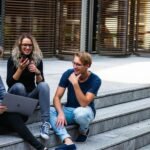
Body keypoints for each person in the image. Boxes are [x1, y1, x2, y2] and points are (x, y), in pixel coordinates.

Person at [50, 52, 101, 150]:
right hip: (69, 110)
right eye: (74, 63)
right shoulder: (68, 73)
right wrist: (60, 113)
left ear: (87, 65)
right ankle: (67, 141)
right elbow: (56, 97)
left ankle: (83, 131)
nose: (75, 67)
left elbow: (84, 103)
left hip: (85, 110)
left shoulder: (96, 80)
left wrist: (75, 83)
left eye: (78, 64)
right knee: (49, 111)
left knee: (81, 113)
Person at [0, 48, 48, 150]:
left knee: (18, 116)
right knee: (13, 117)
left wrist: (5, 103)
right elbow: (10, 83)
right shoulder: (12, 61)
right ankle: (40, 147)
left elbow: (2, 94)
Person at [6, 33, 51, 140]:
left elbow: (40, 84)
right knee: (19, 86)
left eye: (30, 45)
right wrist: (20, 69)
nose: (27, 47)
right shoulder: (12, 59)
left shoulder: (37, 59)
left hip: (30, 97)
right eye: (24, 45)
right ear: (20, 46)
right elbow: (10, 83)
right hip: (16, 96)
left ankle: (45, 124)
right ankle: (20, 119)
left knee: (44, 85)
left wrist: (37, 72)